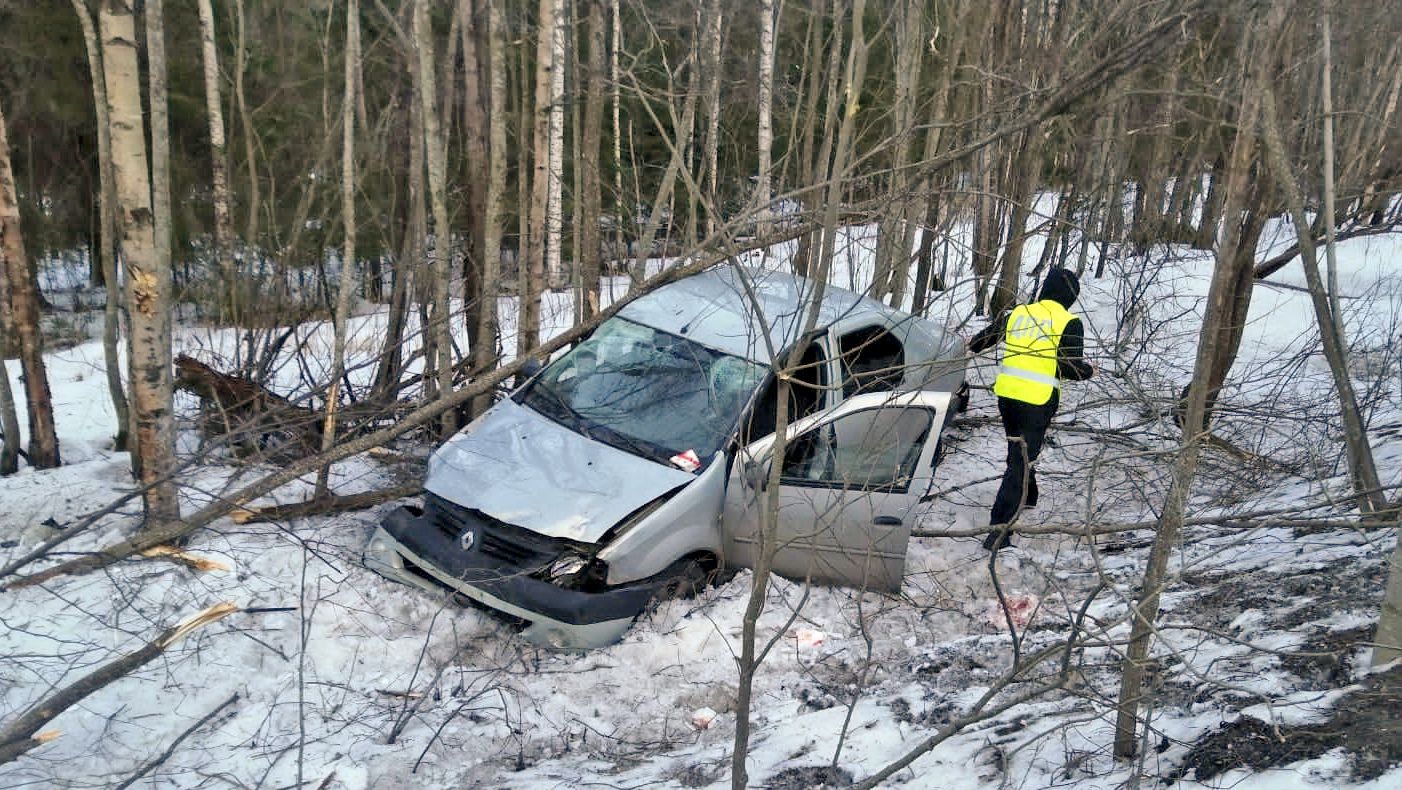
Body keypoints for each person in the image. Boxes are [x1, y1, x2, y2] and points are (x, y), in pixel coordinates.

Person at [969, 268, 1095, 551]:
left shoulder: (1018, 313)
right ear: (1071, 296)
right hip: (1037, 401)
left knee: (1020, 452)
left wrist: (968, 345)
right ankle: (998, 533)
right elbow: (1068, 367)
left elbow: (984, 339)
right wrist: (1089, 371)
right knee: (1020, 462)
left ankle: (1028, 496)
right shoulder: (1069, 322)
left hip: (1007, 398)